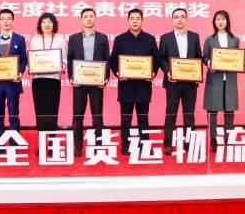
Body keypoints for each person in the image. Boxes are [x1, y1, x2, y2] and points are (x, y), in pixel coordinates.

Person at [109, 8, 159, 155]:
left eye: (138, 18)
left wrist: (153, 72)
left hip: (144, 85)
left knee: (143, 117)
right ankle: (126, 144)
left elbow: (156, 59)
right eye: (132, 18)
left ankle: (145, 144)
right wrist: (118, 73)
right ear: (128, 21)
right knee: (126, 117)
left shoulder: (149, 39)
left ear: (142, 21)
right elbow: (113, 60)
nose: (135, 21)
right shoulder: (120, 39)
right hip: (126, 85)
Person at [67, 8, 110, 156]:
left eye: (91, 16)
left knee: (97, 115)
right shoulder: (73, 38)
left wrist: (105, 78)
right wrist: (71, 78)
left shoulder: (103, 38)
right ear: (81, 19)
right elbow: (70, 59)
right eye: (86, 16)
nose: (89, 19)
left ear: (95, 18)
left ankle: (98, 145)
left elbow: (107, 59)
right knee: (78, 116)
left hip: (96, 82)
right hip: (79, 83)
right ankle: (77, 147)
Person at [159, 7, 202, 155]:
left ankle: (189, 144)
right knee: (171, 113)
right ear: (173, 20)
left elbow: (198, 57)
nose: (180, 19)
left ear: (186, 19)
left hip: (190, 83)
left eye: (183, 16)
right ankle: (168, 143)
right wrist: (168, 71)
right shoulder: (165, 38)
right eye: (176, 17)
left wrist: (197, 74)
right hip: (173, 82)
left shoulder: (194, 37)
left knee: (189, 114)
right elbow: (161, 59)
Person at [0, 9, 27, 147]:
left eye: (8, 18)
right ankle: (0, 144)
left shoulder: (19, 39)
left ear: (13, 21)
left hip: (12, 83)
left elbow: (23, 60)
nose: (6, 21)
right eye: (3, 18)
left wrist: (20, 73)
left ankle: (14, 143)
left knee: (13, 113)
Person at [202, 10, 240, 148]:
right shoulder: (209, 39)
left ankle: (228, 136)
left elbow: (237, 57)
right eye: (217, 19)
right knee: (212, 110)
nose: (220, 21)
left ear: (227, 21)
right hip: (214, 78)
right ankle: (213, 138)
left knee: (229, 109)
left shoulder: (235, 39)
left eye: (223, 19)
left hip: (230, 78)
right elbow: (204, 57)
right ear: (214, 22)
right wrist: (209, 62)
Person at [29, 13, 66, 131]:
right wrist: (32, 67)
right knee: (40, 109)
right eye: (44, 22)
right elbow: (31, 59)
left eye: (49, 22)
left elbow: (64, 60)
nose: (47, 24)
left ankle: (52, 138)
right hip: (38, 80)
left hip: (53, 80)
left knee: (52, 109)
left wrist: (60, 67)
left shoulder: (60, 39)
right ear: (40, 25)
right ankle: (41, 138)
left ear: (54, 24)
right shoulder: (35, 39)